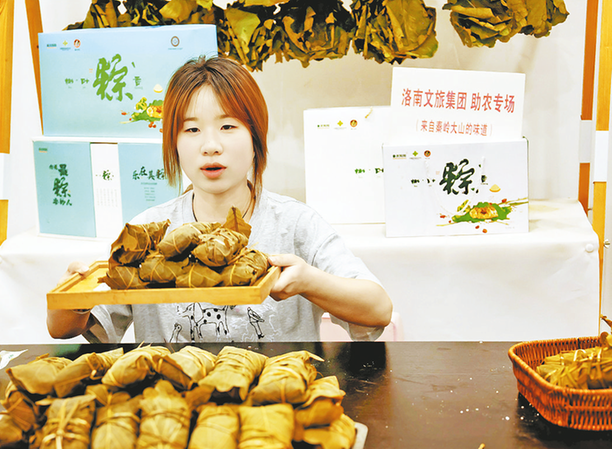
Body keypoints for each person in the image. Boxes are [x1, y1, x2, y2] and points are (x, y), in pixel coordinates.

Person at [48, 56, 392, 343]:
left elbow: (378, 309)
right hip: (171, 400)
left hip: (277, 399)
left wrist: (308, 281)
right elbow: (63, 330)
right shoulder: (148, 233)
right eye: (192, 129)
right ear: (173, 143)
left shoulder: (296, 224)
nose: (210, 146)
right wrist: (71, 295)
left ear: (255, 137)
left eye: (228, 126)